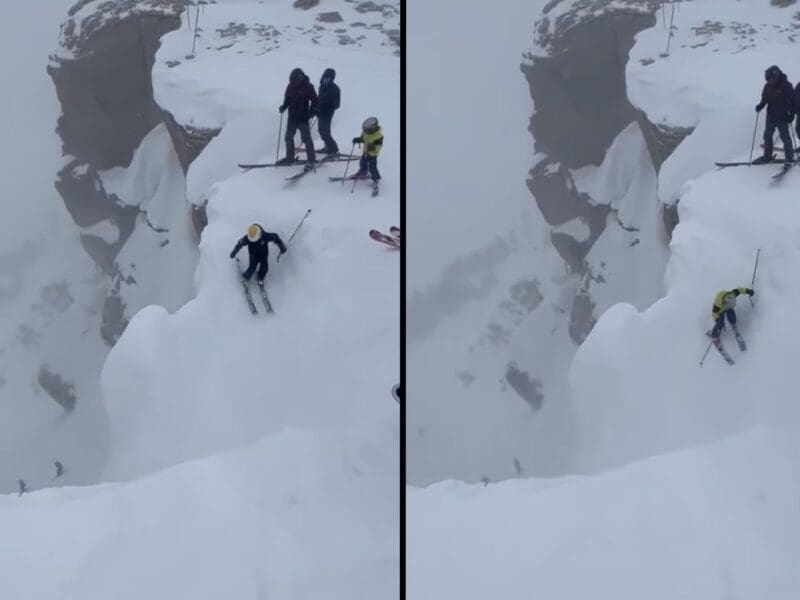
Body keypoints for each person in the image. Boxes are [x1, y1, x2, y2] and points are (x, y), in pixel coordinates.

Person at [277, 68, 318, 169]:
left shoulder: (308, 86)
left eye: (294, 80)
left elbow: (315, 100)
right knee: (288, 137)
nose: (292, 83)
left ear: (299, 78)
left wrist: (311, 112)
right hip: (292, 118)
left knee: (306, 139)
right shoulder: (290, 86)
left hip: (303, 118)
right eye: (292, 81)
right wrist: (283, 107)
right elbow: (287, 99)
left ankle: (311, 160)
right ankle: (289, 158)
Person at [754, 65, 795, 166]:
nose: (768, 81)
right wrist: (761, 105)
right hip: (771, 116)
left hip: (782, 117)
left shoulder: (786, 85)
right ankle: (767, 156)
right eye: (767, 79)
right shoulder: (768, 86)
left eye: (770, 79)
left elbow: (792, 102)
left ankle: (789, 158)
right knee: (767, 136)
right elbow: (765, 98)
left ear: (776, 76)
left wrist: (792, 114)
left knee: (785, 137)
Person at [352, 117, 383, 186]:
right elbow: (363, 139)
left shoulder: (378, 136)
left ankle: (376, 179)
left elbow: (379, 146)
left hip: (373, 154)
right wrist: (358, 140)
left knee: (372, 167)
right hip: (365, 152)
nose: (365, 130)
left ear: (372, 128)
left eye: (367, 129)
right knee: (362, 163)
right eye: (365, 129)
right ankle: (363, 172)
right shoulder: (365, 133)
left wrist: (373, 148)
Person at [316, 68, 340, 156]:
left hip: (327, 113)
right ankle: (327, 147)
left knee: (325, 132)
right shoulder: (321, 86)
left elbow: (337, 104)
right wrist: (316, 108)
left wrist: (327, 107)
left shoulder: (335, 88)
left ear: (332, 78)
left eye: (328, 78)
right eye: (325, 77)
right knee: (321, 131)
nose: (326, 79)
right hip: (320, 113)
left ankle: (333, 149)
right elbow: (319, 99)